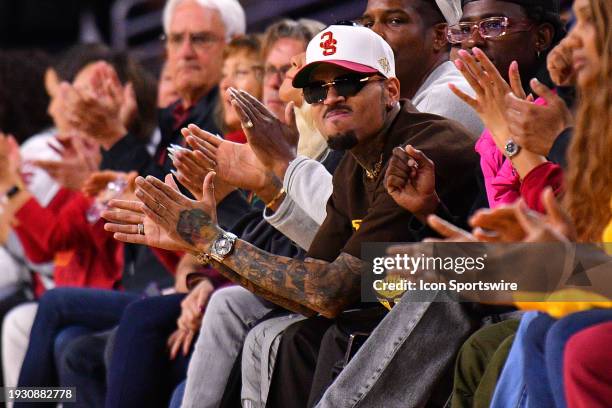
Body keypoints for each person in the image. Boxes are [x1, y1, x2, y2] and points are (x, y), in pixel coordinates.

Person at [104, 23, 481, 407]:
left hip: (493, 293)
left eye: (348, 83)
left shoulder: (424, 146)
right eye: (317, 91)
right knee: (296, 339)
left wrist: (211, 240)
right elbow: (311, 288)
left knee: (425, 279)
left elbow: (329, 290)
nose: (331, 98)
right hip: (403, 310)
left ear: (391, 91)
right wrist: (205, 245)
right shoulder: (355, 163)